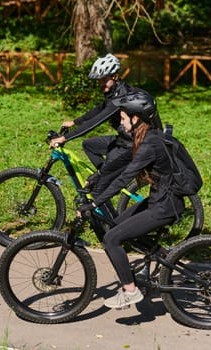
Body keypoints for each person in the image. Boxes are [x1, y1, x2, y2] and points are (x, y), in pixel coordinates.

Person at [77, 91, 184, 309]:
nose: (121, 123)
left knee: (111, 239)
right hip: (161, 200)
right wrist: (97, 177)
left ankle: (130, 291)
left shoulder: (148, 145)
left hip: (163, 207)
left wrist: (95, 203)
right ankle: (169, 261)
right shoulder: (146, 138)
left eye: (124, 118)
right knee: (117, 226)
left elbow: (124, 179)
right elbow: (123, 163)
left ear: (136, 119)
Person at [49, 53, 162, 199]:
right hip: (123, 138)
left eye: (104, 80)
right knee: (90, 145)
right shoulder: (114, 91)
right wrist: (75, 122)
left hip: (130, 144)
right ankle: (107, 176)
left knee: (99, 187)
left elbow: (96, 121)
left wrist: (65, 138)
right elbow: (100, 109)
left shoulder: (122, 96)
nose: (101, 83)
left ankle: (105, 187)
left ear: (114, 76)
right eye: (99, 80)